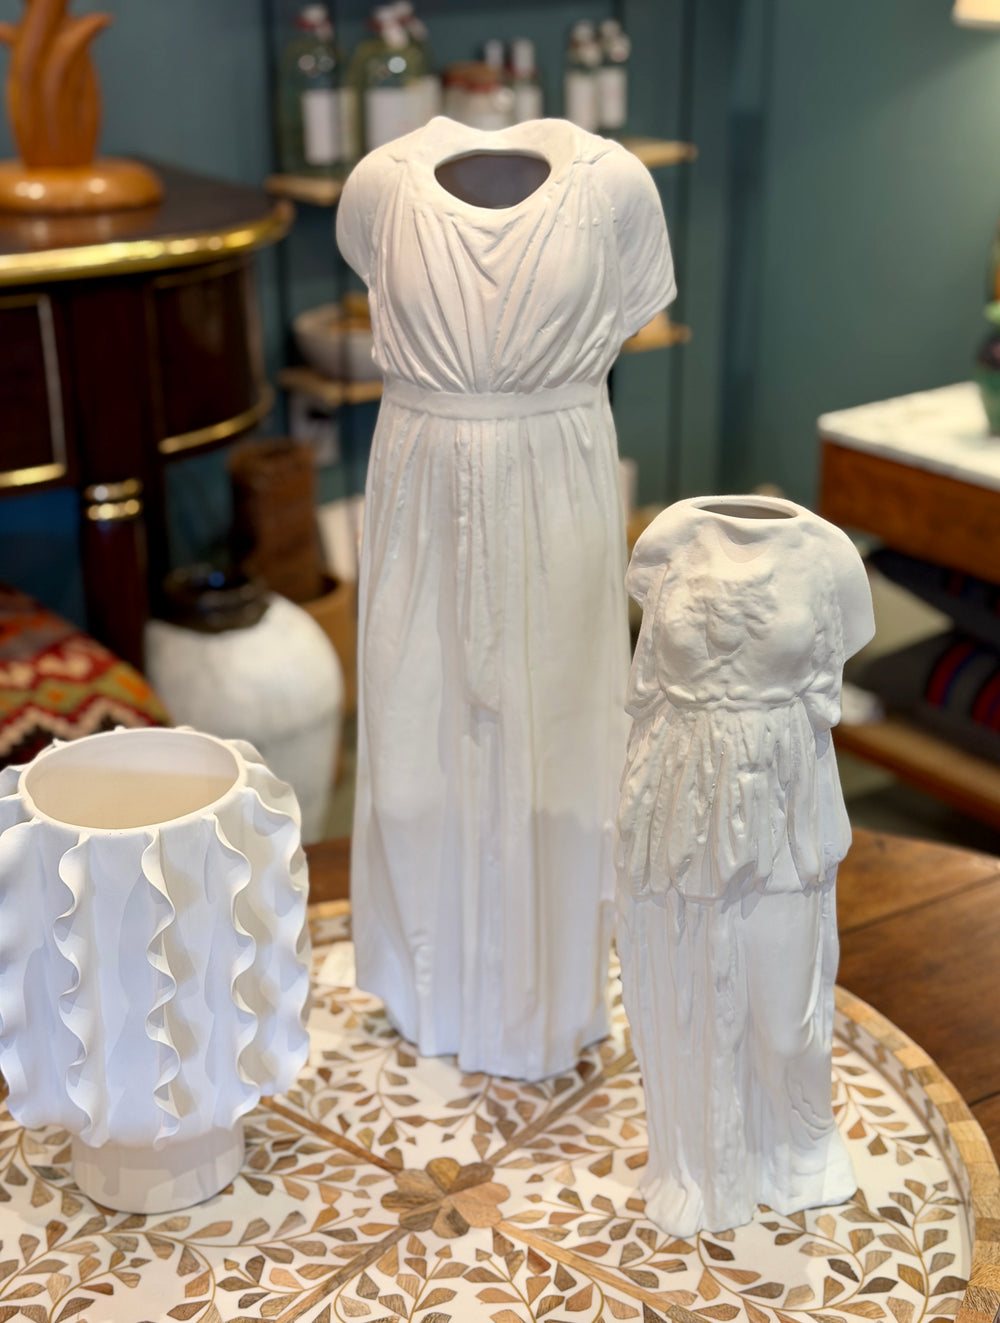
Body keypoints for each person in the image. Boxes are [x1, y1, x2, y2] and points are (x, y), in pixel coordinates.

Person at [336, 116, 674, 1080]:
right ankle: (429, 991)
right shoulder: (379, 186)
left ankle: (546, 1003)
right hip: (420, 490)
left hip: (556, 483)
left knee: (556, 749)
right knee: (415, 741)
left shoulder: (616, 187)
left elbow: (628, 310)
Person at [616, 494, 875, 1234]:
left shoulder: (827, 559)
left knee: (784, 1021)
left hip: (783, 796)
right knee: (690, 993)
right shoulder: (669, 541)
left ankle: (798, 1147)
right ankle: (704, 1166)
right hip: (676, 793)